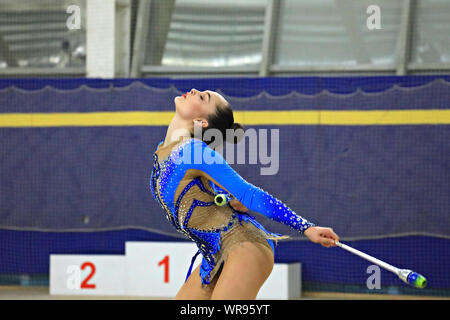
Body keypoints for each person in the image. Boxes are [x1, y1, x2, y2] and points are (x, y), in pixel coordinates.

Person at [150, 88, 340, 300]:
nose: (194, 91)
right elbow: (202, 193)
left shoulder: (194, 151)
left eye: (203, 97)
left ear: (202, 122)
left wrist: (306, 227)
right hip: (212, 255)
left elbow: (249, 193)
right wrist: (225, 197)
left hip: (243, 243)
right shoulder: (162, 151)